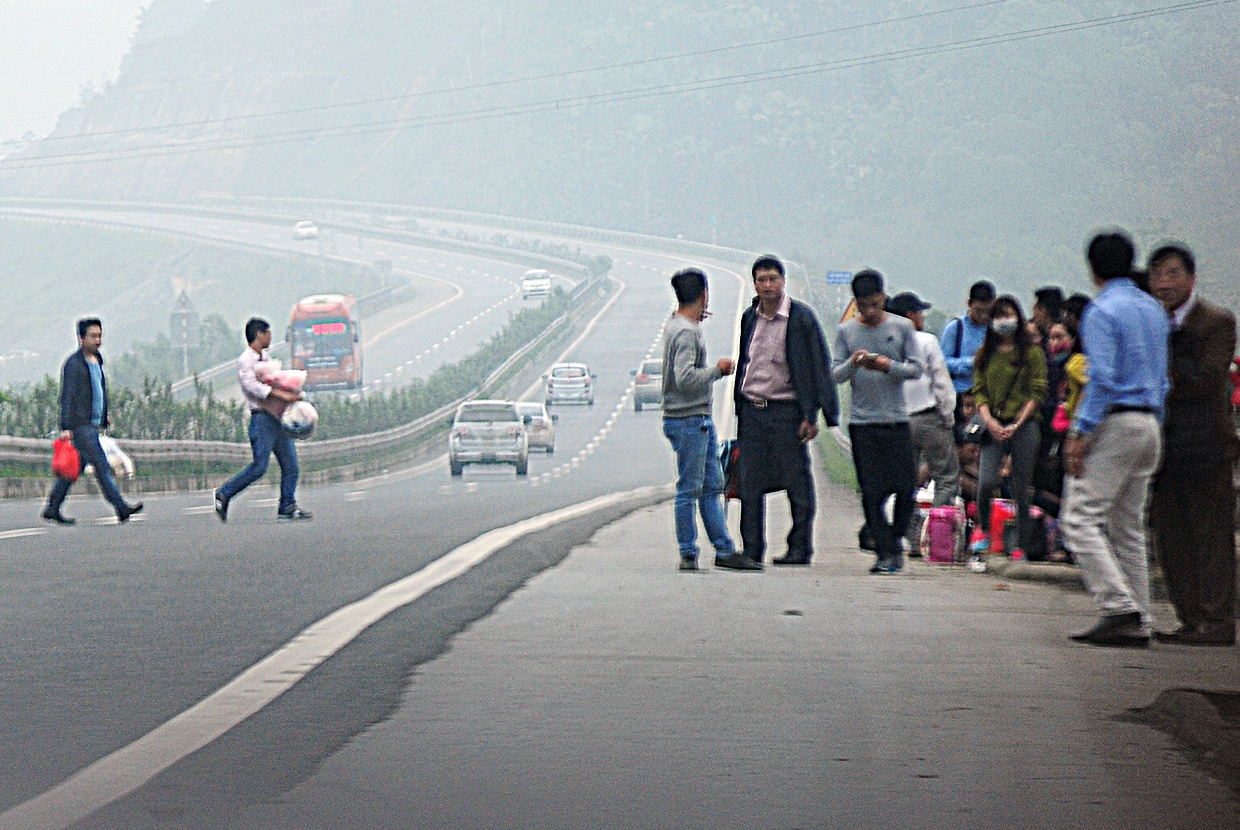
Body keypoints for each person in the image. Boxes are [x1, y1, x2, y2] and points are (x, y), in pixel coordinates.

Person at [1061, 231, 1169, 648]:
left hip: (1116, 422)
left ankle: (1117, 604)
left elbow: (1102, 379)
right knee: (1128, 527)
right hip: (1149, 421)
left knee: (1079, 518)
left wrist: (1081, 432)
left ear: (1093, 270)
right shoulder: (1153, 309)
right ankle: (1140, 617)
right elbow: (1162, 377)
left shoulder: (1102, 311)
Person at [1147, 244, 1238, 646]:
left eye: (1172, 273)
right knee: (1171, 535)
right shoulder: (1152, 321)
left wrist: (1165, 373)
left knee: (1211, 535)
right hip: (1164, 444)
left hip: (1207, 443)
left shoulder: (1216, 321)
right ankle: (1188, 616)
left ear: (1191, 277)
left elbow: (1207, 377)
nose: (1164, 283)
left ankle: (1218, 620)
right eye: (1157, 275)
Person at [733, 254, 839, 566]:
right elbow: (746, 361)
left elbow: (818, 366)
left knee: (797, 482)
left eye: (773, 279)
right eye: (762, 280)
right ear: (755, 284)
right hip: (752, 410)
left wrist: (812, 415)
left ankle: (800, 548)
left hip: (786, 411)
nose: (767, 285)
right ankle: (752, 550)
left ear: (783, 281)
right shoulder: (749, 317)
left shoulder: (800, 318)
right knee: (749, 483)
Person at [660, 268, 758, 572]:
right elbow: (685, 378)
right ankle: (688, 551)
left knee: (712, 485)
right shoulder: (687, 332)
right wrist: (718, 370)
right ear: (704, 294)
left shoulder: (677, 324)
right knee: (690, 488)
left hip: (694, 418)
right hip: (689, 418)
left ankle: (724, 549)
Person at [832, 270, 924, 574]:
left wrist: (888, 366)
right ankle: (885, 552)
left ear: (883, 298)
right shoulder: (846, 332)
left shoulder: (902, 327)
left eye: (875, 304)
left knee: (905, 487)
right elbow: (835, 375)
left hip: (896, 420)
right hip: (863, 423)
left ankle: (894, 538)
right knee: (870, 491)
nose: (870, 311)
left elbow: (916, 369)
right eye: (863, 306)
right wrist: (854, 362)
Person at [42, 318, 144, 525]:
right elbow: (67, 396)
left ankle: (52, 507)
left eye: (99, 336)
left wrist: (103, 416)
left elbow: (97, 391)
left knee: (76, 468)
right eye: (93, 336)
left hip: (93, 424)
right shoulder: (74, 364)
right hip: (81, 426)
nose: (98, 340)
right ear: (81, 338)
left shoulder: (97, 360)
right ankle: (121, 507)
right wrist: (66, 426)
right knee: (102, 466)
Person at [970, 296, 1048, 563]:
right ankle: (983, 531)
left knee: (1020, 487)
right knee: (986, 483)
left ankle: (1020, 544)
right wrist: (990, 421)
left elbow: (1037, 391)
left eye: (1009, 315)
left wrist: (1017, 424)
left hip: (1024, 425)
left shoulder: (1032, 353)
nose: (1004, 321)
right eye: (999, 316)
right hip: (993, 424)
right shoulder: (985, 354)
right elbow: (979, 391)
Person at [214, 318, 312, 522]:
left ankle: (287, 506)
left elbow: (275, 380)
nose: (270, 337)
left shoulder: (266, 358)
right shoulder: (246, 360)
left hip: (278, 417)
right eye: (268, 333)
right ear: (258, 334)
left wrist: (291, 391)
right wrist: (279, 394)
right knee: (260, 466)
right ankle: (224, 493)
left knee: (291, 466)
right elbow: (251, 386)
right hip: (262, 420)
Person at [888, 291, 958, 507]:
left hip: (896, 421)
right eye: (920, 312)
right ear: (910, 315)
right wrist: (947, 416)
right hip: (927, 418)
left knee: (904, 480)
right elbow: (941, 383)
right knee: (946, 478)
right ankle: (938, 523)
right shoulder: (927, 341)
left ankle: (905, 523)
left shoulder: (883, 343)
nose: (923, 317)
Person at [940, 280, 996, 401]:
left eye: (988, 311)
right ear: (970, 304)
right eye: (979, 311)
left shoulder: (995, 329)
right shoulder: (955, 327)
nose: (984, 316)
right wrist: (972, 362)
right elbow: (942, 363)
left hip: (988, 395)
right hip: (960, 394)